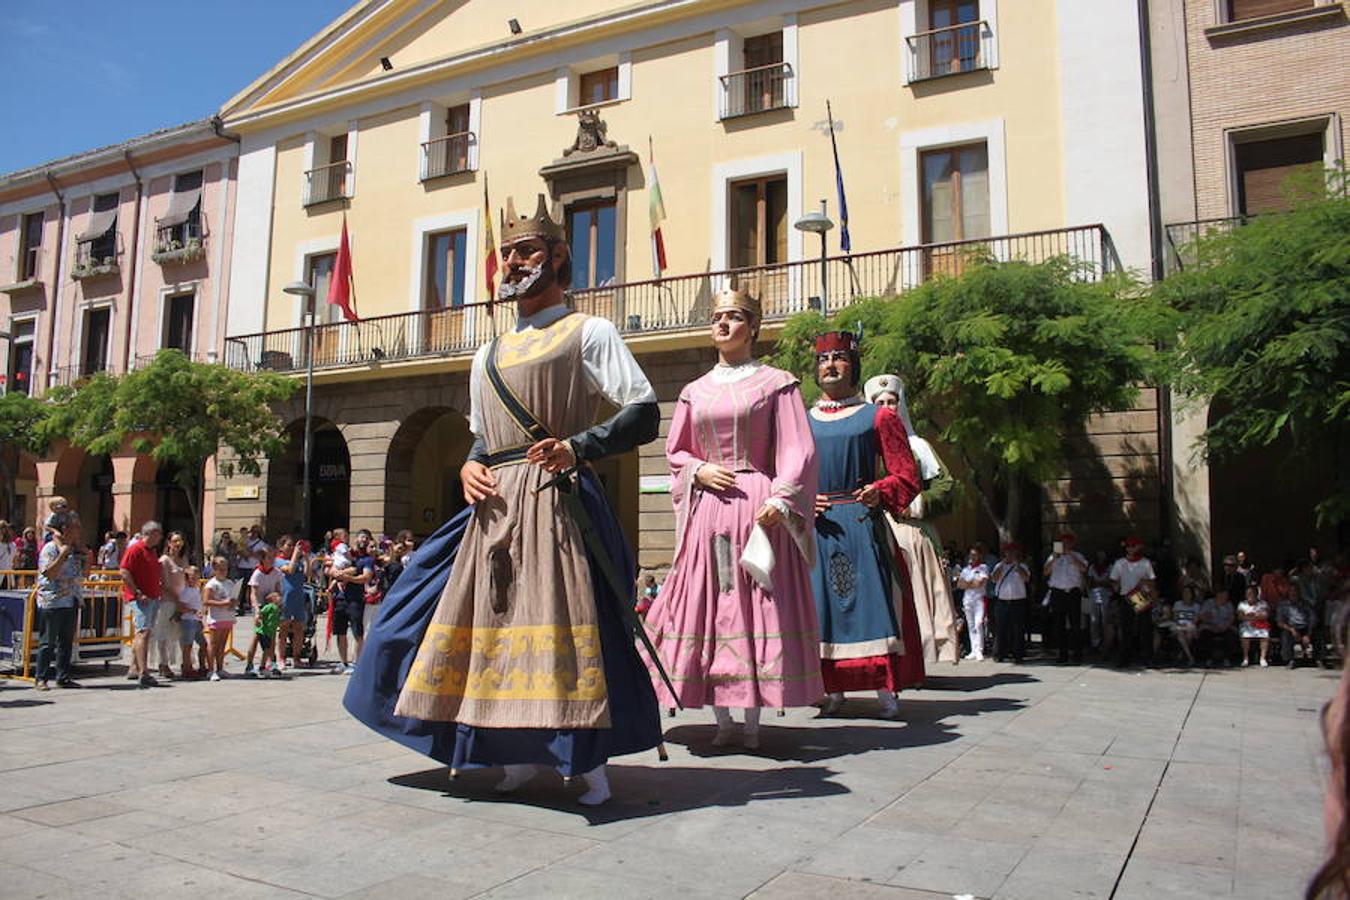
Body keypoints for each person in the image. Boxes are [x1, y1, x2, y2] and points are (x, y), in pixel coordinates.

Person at [346, 195, 663, 805]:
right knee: (451, 620)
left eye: (527, 251)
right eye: (509, 252)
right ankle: (504, 748)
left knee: (570, 627)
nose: (513, 262)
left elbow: (643, 413)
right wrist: (468, 462)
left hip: (559, 497)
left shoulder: (588, 332)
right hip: (492, 508)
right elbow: (483, 433)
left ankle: (585, 762)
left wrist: (579, 446)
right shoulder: (486, 352)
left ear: (557, 258)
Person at [643, 286, 822, 748]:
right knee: (708, 604)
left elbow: (797, 447)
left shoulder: (776, 383)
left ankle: (755, 721)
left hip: (758, 506)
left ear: (754, 327)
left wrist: (782, 498)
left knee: (756, 606)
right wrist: (699, 469)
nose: (722, 323)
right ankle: (722, 719)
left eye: (734, 316)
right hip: (708, 511)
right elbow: (676, 451)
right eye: (717, 316)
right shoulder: (692, 391)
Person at [810, 338, 921, 719]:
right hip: (817, 526)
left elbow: (906, 474)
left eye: (838, 358)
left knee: (871, 606)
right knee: (820, 608)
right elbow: (784, 472)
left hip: (861, 520)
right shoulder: (800, 419)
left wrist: (881, 489)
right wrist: (803, 499)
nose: (830, 365)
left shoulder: (878, 417)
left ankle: (884, 688)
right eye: (823, 359)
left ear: (853, 365)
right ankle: (832, 689)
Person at [864, 374, 961, 667]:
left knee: (920, 594)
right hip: (876, 528)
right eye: (879, 403)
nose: (887, 407)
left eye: (891, 401)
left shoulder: (918, 446)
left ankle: (924, 655)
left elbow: (946, 486)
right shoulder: (864, 446)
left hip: (914, 532)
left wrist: (916, 504)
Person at [34, 515, 86, 690]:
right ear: (65, 529)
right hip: (52, 601)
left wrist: (86, 555)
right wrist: (62, 555)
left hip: (70, 600)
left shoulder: (73, 550)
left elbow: (83, 572)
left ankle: (62, 676)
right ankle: (41, 677)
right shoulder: (50, 548)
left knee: (66, 641)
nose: (79, 531)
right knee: (47, 642)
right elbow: (48, 573)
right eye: (76, 527)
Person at [119, 521, 164, 688]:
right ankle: (143, 672)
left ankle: (134, 666)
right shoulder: (135, 549)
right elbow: (124, 571)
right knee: (142, 632)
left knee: (144, 632)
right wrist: (137, 592)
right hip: (140, 598)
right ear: (151, 533)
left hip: (153, 597)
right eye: (158, 533)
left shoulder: (152, 551)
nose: (160, 537)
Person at [331, 532, 375, 673]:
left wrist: (348, 578)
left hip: (355, 599)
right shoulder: (344, 554)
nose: (363, 540)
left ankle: (357, 663)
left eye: (366, 538)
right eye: (361, 537)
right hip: (340, 598)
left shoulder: (367, 560)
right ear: (355, 539)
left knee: (357, 631)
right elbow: (331, 568)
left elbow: (366, 577)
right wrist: (336, 573)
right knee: (340, 631)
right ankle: (343, 662)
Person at [1111, 537, 1157, 668]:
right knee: (1126, 629)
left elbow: (1153, 581)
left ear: (1139, 547)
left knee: (1145, 629)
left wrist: (1145, 582)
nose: (1130, 549)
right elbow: (1113, 580)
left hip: (1139, 596)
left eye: (1133, 546)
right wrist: (1116, 585)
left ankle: (1148, 658)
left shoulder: (1145, 563)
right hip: (1125, 596)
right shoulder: (1120, 563)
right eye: (1128, 546)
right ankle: (1125, 658)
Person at [1043, 532, 1088, 665]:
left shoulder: (1078, 556)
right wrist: (1055, 558)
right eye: (1063, 543)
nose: (1065, 545)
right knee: (1059, 625)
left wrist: (1071, 556)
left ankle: (1077, 655)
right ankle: (1062, 655)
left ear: (1072, 544)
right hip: (1058, 593)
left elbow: (1084, 568)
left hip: (1073, 593)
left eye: (1068, 543)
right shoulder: (1053, 557)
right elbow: (1045, 572)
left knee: (1075, 624)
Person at [155, 531, 190, 678]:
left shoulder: (184, 560)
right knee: (164, 633)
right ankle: (163, 663)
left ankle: (185, 663)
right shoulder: (164, 560)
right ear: (169, 543)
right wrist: (177, 600)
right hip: (168, 601)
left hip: (182, 600)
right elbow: (164, 583)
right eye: (175, 541)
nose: (177, 544)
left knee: (179, 634)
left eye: (180, 541)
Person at [244, 548, 284, 676]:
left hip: (272, 607)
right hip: (261, 607)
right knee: (257, 636)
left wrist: (278, 599)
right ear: (262, 559)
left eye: (273, 557)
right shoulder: (257, 574)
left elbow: (278, 590)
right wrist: (256, 610)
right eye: (269, 557)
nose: (272, 560)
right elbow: (253, 594)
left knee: (271, 636)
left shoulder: (276, 572)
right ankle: (249, 665)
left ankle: (269, 663)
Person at [990, 544, 1031, 663]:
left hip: (1018, 601)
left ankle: (1018, 654)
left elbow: (1026, 578)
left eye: (1012, 552)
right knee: (1001, 628)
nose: (1010, 555)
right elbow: (994, 578)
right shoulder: (999, 566)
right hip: (1002, 601)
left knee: (1017, 629)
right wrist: (1002, 565)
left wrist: (1017, 565)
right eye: (1008, 552)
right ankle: (1000, 653)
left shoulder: (1021, 566)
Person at [277, 536, 310, 670]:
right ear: (281, 547)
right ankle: (281, 658)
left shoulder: (298, 561)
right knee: (284, 627)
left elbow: (307, 574)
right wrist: (296, 555)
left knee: (299, 628)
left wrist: (306, 557)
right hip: (285, 597)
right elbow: (289, 570)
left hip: (298, 597)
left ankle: (297, 657)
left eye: (293, 546)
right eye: (288, 545)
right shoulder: (278, 561)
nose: (291, 548)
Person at [202, 556, 237, 680]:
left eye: (225, 569)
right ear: (215, 569)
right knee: (213, 644)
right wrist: (223, 603)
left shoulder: (229, 582)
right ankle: (211, 670)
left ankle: (220, 668)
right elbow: (206, 601)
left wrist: (233, 602)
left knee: (222, 644)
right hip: (216, 618)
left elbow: (233, 597)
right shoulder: (211, 584)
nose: (224, 571)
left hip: (227, 617)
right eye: (220, 569)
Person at [957, 548, 990, 661]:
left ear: (979, 556)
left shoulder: (983, 568)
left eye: (975, 555)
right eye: (971, 555)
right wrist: (969, 583)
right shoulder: (966, 569)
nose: (973, 557)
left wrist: (968, 583)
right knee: (971, 625)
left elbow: (979, 583)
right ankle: (973, 650)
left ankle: (980, 650)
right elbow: (960, 584)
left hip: (979, 600)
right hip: (968, 600)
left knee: (978, 624)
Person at [177, 565, 207, 679]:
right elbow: (181, 607)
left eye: (196, 577)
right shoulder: (185, 591)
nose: (194, 579)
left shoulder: (197, 589)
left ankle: (202, 666)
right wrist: (192, 610)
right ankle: (186, 668)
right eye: (191, 577)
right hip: (188, 620)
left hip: (196, 620)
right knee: (188, 645)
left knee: (203, 644)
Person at [1197, 589, 1239, 667]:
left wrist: (1225, 626)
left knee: (1232, 635)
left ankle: (1226, 658)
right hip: (1210, 626)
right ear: (1217, 595)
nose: (1225, 598)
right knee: (1204, 634)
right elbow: (1201, 616)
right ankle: (1208, 658)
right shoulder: (1208, 603)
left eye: (1226, 597)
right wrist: (1209, 621)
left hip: (1224, 627)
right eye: (1223, 596)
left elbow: (1232, 618)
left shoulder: (1229, 604)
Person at [1280, 586, 1317, 669]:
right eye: (1291, 591)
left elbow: (1313, 618)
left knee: (1319, 634)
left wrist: (1308, 634)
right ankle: (1290, 660)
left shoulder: (1306, 604)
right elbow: (1280, 622)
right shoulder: (1283, 605)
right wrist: (1291, 629)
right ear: (1288, 593)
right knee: (1285, 635)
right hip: (1291, 628)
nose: (1294, 593)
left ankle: (1319, 659)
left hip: (1306, 627)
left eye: (1295, 591)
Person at [1237, 583, 1270, 668]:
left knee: (1265, 634)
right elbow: (1240, 616)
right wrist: (1255, 616)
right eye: (1248, 594)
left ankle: (1262, 658)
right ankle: (1245, 658)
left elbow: (1265, 615)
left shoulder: (1263, 603)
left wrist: (1252, 616)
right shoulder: (1242, 604)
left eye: (1252, 593)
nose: (1250, 595)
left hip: (1260, 625)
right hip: (1246, 625)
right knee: (1245, 635)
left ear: (1256, 594)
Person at [254, 591, 283, 679]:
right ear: (272, 599)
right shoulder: (269, 607)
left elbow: (276, 620)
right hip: (263, 632)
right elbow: (260, 613)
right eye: (277, 596)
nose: (280, 598)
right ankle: (262, 667)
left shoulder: (277, 609)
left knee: (268, 650)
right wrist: (258, 619)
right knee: (267, 650)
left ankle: (264, 666)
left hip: (270, 632)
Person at [1172, 584, 1202, 667]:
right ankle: (1190, 657)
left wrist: (1189, 624)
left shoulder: (1196, 606)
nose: (1186, 594)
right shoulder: (1177, 604)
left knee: (1189, 633)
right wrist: (1180, 623)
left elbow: (1196, 619)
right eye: (1184, 593)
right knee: (1180, 632)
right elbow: (1175, 617)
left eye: (1188, 593)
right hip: (1179, 624)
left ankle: (1182, 654)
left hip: (1190, 624)